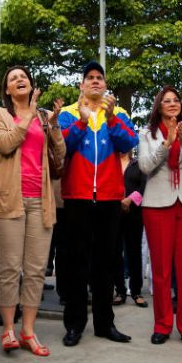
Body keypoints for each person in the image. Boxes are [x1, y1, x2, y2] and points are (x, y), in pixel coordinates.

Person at [0, 65, 66, 356]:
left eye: (24, 77)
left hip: (40, 200)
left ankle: (28, 331)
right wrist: (26, 117)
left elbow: (60, 154)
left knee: (35, 271)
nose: (20, 80)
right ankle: (8, 329)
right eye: (13, 78)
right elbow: (4, 145)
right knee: (8, 268)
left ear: (31, 84)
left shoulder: (43, 117)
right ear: (7, 89)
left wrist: (53, 126)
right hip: (7, 199)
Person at [57, 61, 138, 347]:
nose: (94, 81)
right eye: (89, 78)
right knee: (76, 265)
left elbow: (128, 143)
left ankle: (105, 324)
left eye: (99, 78)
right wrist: (81, 119)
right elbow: (62, 147)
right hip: (77, 198)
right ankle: (75, 325)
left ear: (105, 85)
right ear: (81, 84)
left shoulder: (118, 113)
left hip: (109, 199)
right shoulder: (67, 114)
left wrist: (112, 116)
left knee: (106, 264)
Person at [138, 86, 182, 347]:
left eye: (176, 100)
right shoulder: (147, 134)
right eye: (166, 100)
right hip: (157, 205)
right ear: (159, 105)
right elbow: (145, 167)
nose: (172, 104)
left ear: (181, 104)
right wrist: (166, 143)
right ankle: (162, 325)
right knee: (161, 269)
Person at [112, 149, 149, 308]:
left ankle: (136, 291)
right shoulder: (110, 163)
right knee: (115, 252)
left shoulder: (139, 164)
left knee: (134, 252)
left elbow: (144, 186)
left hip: (134, 213)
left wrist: (129, 200)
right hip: (113, 212)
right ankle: (120, 290)